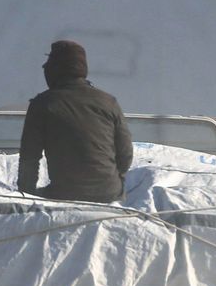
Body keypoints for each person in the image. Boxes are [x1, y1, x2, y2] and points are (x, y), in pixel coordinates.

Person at [18, 40, 133, 203]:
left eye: (49, 63)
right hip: (110, 193)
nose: (44, 68)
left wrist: (24, 196)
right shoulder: (109, 102)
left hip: (65, 193)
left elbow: (29, 157)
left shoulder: (43, 104)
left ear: (55, 69)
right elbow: (125, 154)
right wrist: (113, 181)